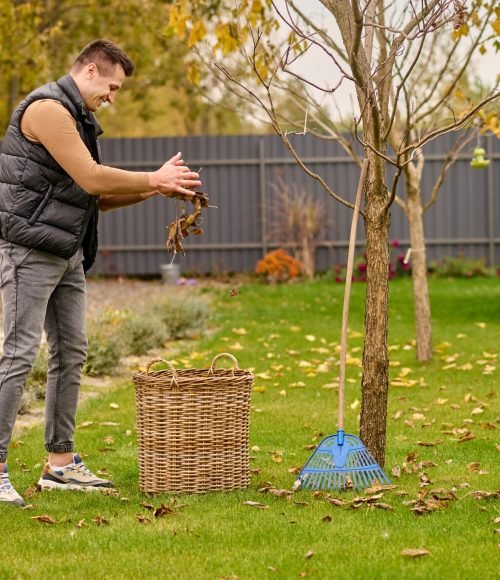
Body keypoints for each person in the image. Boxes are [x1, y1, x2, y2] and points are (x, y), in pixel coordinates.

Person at [0, 40, 202, 506]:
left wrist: (156, 187)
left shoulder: (80, 118)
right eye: (111, 86)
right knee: (19, 353)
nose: (113, 96)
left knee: (72, 351)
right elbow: (92, 177)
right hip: (28, 250)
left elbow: (94, 197)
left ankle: (60, 464)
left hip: (65, 252)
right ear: (90, 70)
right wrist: (154, 179)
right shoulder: (49, 110)